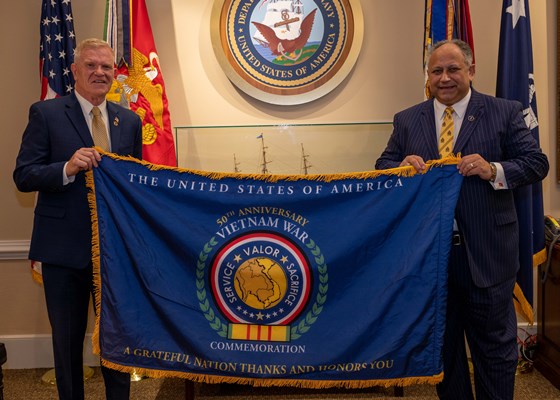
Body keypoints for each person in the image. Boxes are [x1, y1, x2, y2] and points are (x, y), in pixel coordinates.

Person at [375, 39, 549, 400]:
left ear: (471, 70)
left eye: (453, 69)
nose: (444, 78)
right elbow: (382, 166)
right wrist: (401, 167)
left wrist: (493, 169)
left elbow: (536, 163)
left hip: (486, 254)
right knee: (443, 349)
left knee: (494, 349)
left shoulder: (504, 111)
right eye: (436, 70)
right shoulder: (407, 119)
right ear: (428, 76)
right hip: (430, 259)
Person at [14, 38, 143, 400]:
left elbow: (136, 186)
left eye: (106, 67)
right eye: (91, 66)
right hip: (62, 250)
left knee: (118, 343)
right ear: (74, 72)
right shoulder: (46, 114)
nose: (99, 73)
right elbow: (24, 176)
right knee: (67, 343)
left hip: (116, 254)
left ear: (115, 74)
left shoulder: (129, 121)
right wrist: (67, 168)